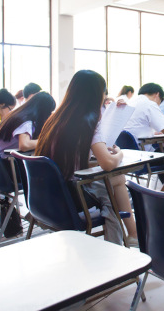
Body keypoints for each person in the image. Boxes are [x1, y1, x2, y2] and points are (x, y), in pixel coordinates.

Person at [35, 70, 137, 246]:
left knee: (109, 183)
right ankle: (132, 236)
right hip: (70, 194)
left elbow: (71, 159)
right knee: (117, 177)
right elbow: (108, 163)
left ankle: (131, 236)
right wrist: (119, 153)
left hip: (47, 194)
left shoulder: (56, 119)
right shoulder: (88, 121)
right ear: (97, 94)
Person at [125, 83, 164, 192]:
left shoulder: (130, 103)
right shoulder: (149, 104)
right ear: (157, 95)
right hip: (142, 159)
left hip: (127, 157)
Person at [0, 92, 56, 156]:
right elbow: (24, 145)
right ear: (43, 111)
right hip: (0, 161)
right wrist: (46, 141)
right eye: (49, 112)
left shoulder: (18, 114)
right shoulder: (26, 121)